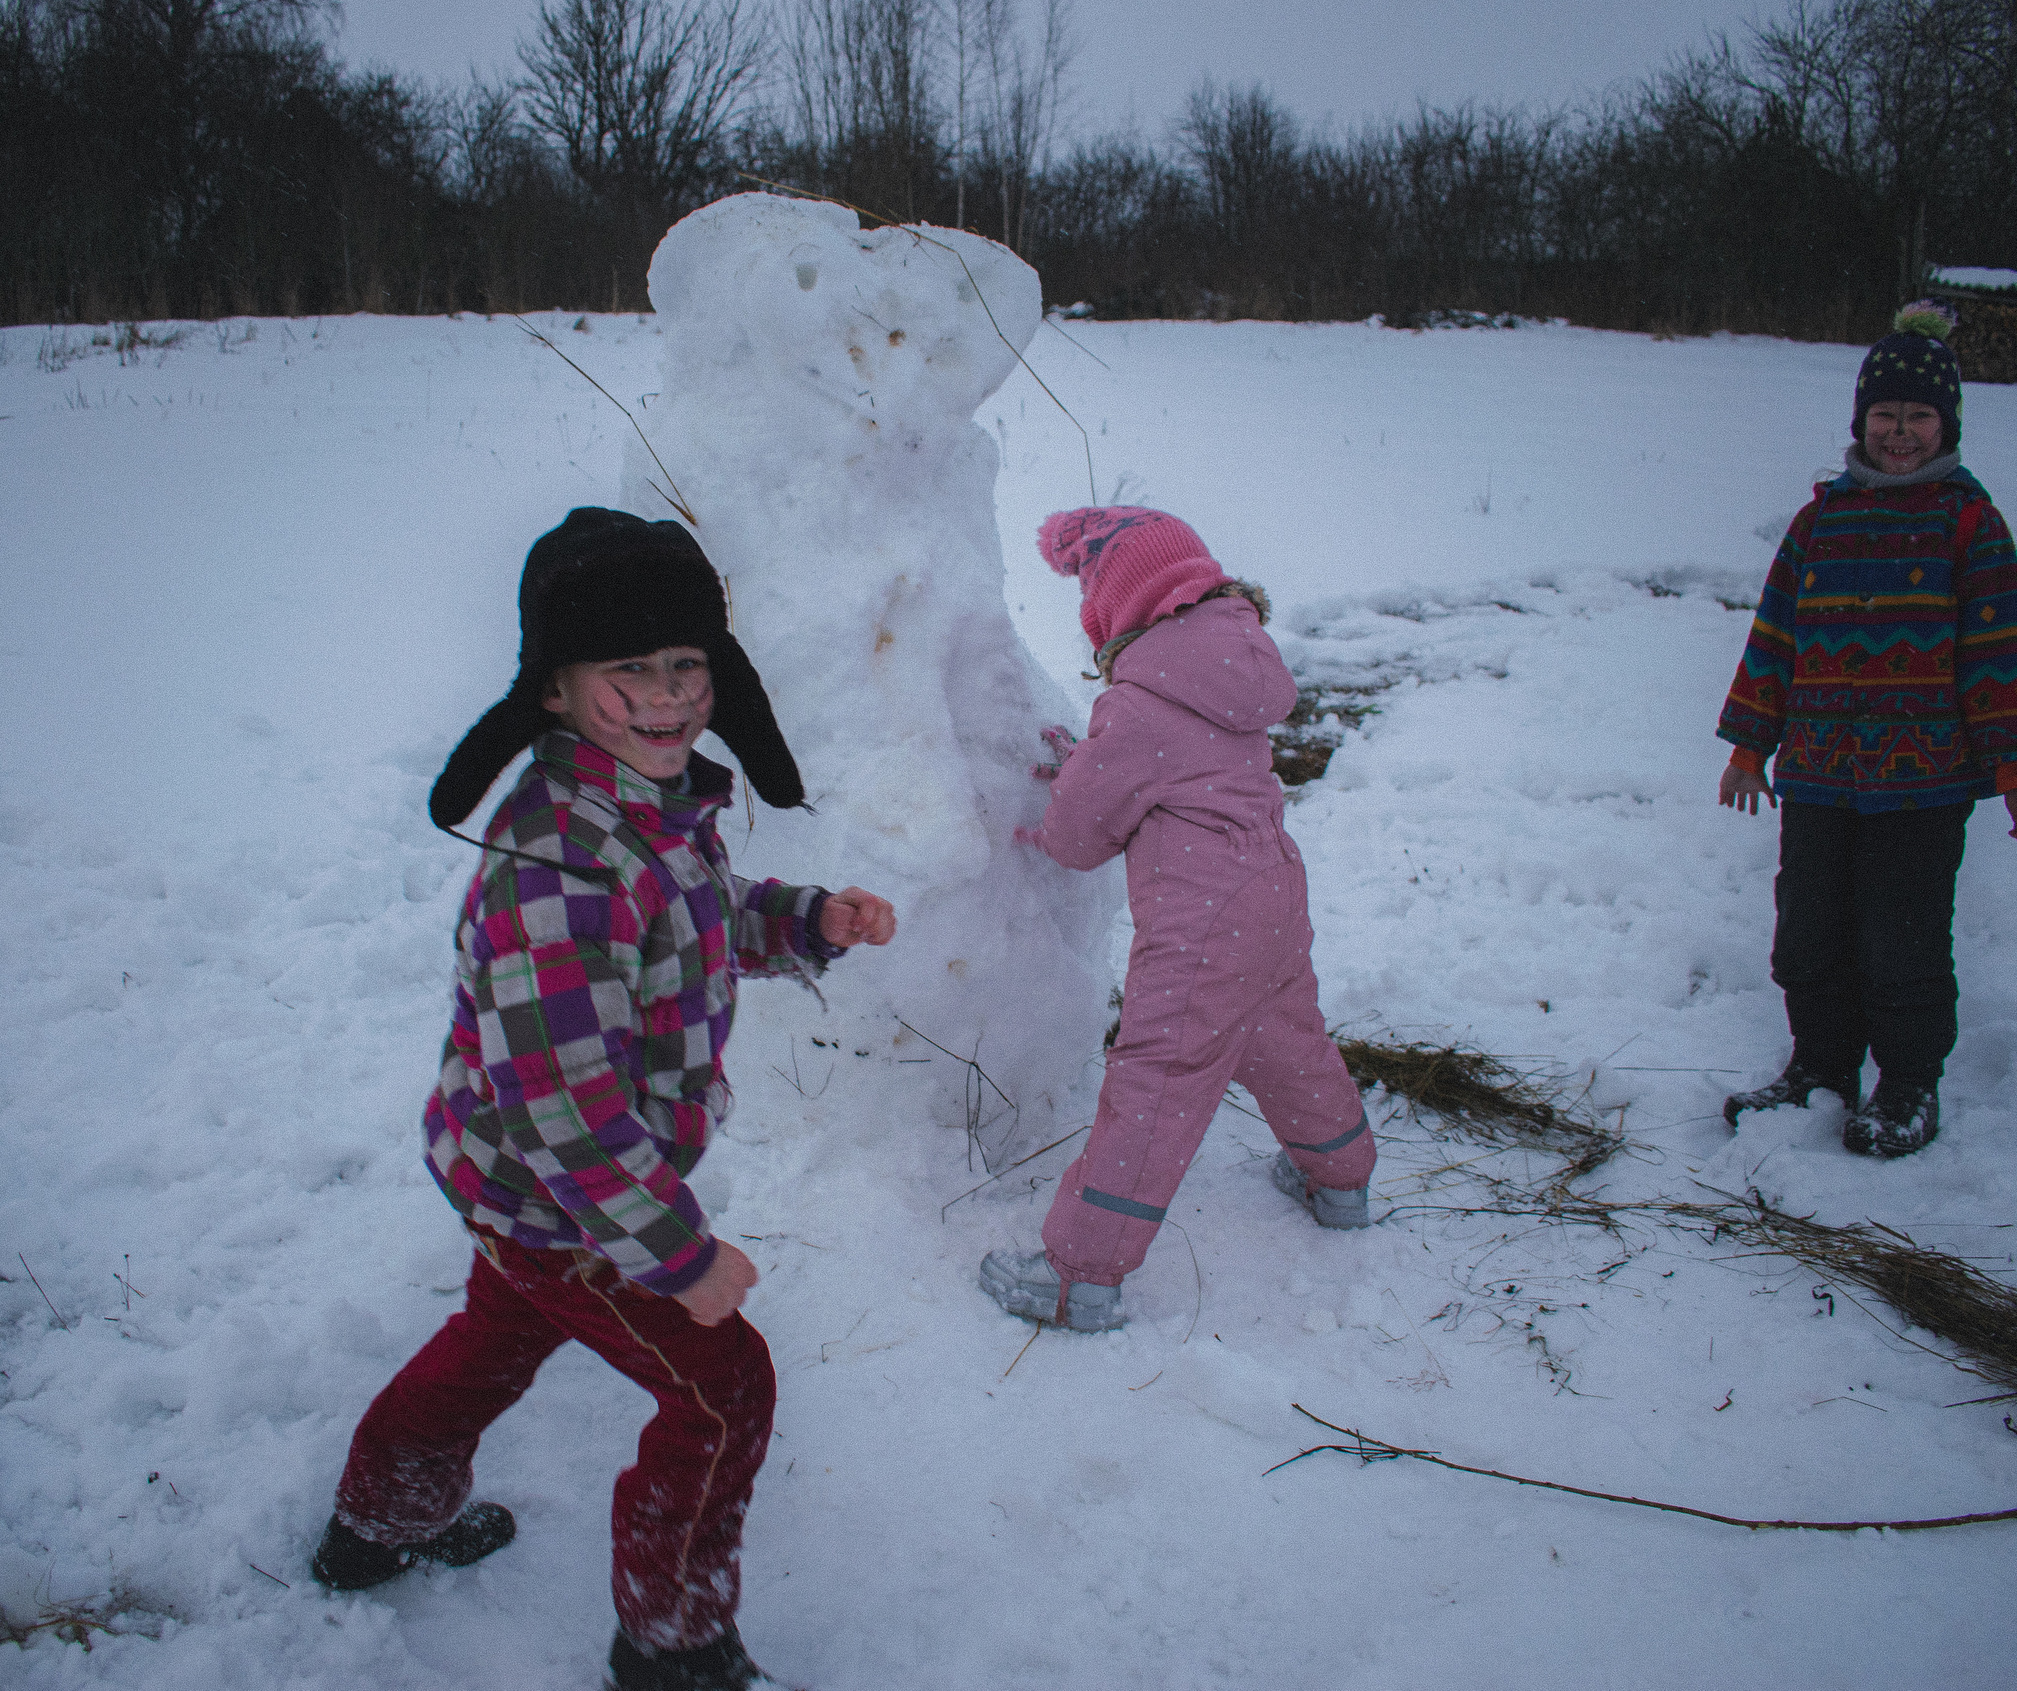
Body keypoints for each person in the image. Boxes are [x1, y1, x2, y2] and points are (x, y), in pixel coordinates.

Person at [311, 508, 895, 1691]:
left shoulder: (644, 809)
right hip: (564, 1196)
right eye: (629, 670)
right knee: (724, 1392)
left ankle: (379, 1524)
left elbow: (696, 919)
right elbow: (564, 1109)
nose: (671, 694)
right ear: (554, 691)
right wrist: (678, 1256)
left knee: (496, 1335)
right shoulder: (559, 871)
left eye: (687, 664)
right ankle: (672, 1647)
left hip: (534, 1187)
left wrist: (800, 923)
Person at [980, 508, 1376, 1333]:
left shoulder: (1140, 702)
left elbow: (1078, 836)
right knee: (1286, 1035)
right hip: (1271, 890)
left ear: (1116, 608)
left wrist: (1068, 789)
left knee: (1159, 1079)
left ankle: (1079, 1275)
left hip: (1202, 924)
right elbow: (1177, 769)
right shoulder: (1234, 664)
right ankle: (1341, 1179)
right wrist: (1101, 765)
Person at [1715, 303, 2017, 1159]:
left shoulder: (1967, 523)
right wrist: (1750, 743)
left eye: (1918, 417)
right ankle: (1820, 1069)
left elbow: (1999, 653)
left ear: (1946, 425)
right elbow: (1775, 639)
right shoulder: (1819, 522)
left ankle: (1907, 1082)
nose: (1900, 433)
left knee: (1900, 940)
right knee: (1808, 931)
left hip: (1924, 783)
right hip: (1822, 774)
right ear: (1860, 421)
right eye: (1885, 416)